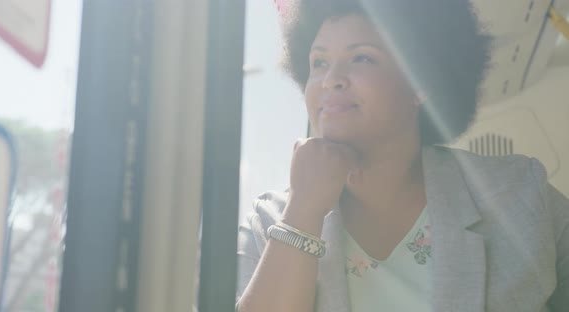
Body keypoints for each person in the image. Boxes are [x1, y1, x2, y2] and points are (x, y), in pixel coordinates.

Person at [236, 1, 569, 311]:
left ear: (419, 81)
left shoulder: (522, 193)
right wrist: (302, 212)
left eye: (361, 58)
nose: (331, 79)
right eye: (319, 62)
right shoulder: (267, 224)